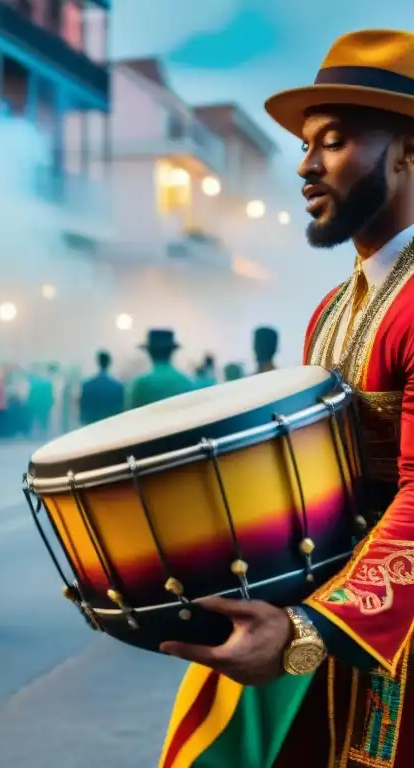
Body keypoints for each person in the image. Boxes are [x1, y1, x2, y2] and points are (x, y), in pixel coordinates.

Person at [160, 30, 414, 768]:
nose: (305, 165)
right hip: (339, 634)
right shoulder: (333, 307)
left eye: (332, 142)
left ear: (406, 148)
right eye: (306, 145)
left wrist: (311, 630)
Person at [127, 329, 194, 409]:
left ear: (150, 352)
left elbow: (132, 417)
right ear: (171, 352)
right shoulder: (187, 382)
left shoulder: (141, 384)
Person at [78, 350, 124, 426]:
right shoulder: (117, 386)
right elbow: (120, 411)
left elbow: (83, 413)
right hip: (111, 427)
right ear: (109, 363)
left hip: (92, 427)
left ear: (98, 362)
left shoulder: (87, 385)